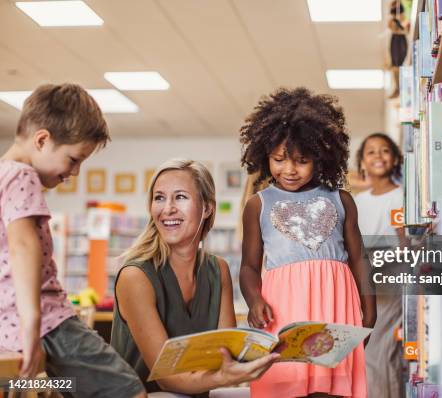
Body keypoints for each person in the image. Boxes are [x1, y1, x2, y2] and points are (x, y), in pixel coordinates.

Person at [0, 83, 146, 397]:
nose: (75, 172)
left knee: (69, 389)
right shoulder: (22, 176)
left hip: (7, 323)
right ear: (42, 140)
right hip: (49, 321)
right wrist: (32, 324)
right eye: (73, 159)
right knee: (127, 390)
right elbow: (22, 247)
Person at [239, 87, 376, 398]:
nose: (289, 169)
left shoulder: (341, 200)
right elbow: (248, 266)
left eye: (301, 161)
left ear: (321, 158)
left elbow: (358, 259)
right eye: (279, 159)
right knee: (286, 384)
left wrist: (369, 308)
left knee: (333, 388)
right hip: (282, 311)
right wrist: (253, 300)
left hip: (336, 308)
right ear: (265, 155)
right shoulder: (258, 205)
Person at [111, 158, 278, 398]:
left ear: (207, 207)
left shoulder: (217, 269)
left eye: (180, 197)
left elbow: (225, 352)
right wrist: (225, 376)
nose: (167, 208)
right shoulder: (135, 276)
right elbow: (167, 378)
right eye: (159, 198)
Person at [354, 133, 405, 398]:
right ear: (362, 161)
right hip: (363, 279)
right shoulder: (358, 201)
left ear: (395, 159)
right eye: (371, 151)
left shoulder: (403, 195)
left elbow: (406, 245)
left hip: (391, 274)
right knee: (367, 352)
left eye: (385, 151)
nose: (378, 156)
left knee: (380, 351)